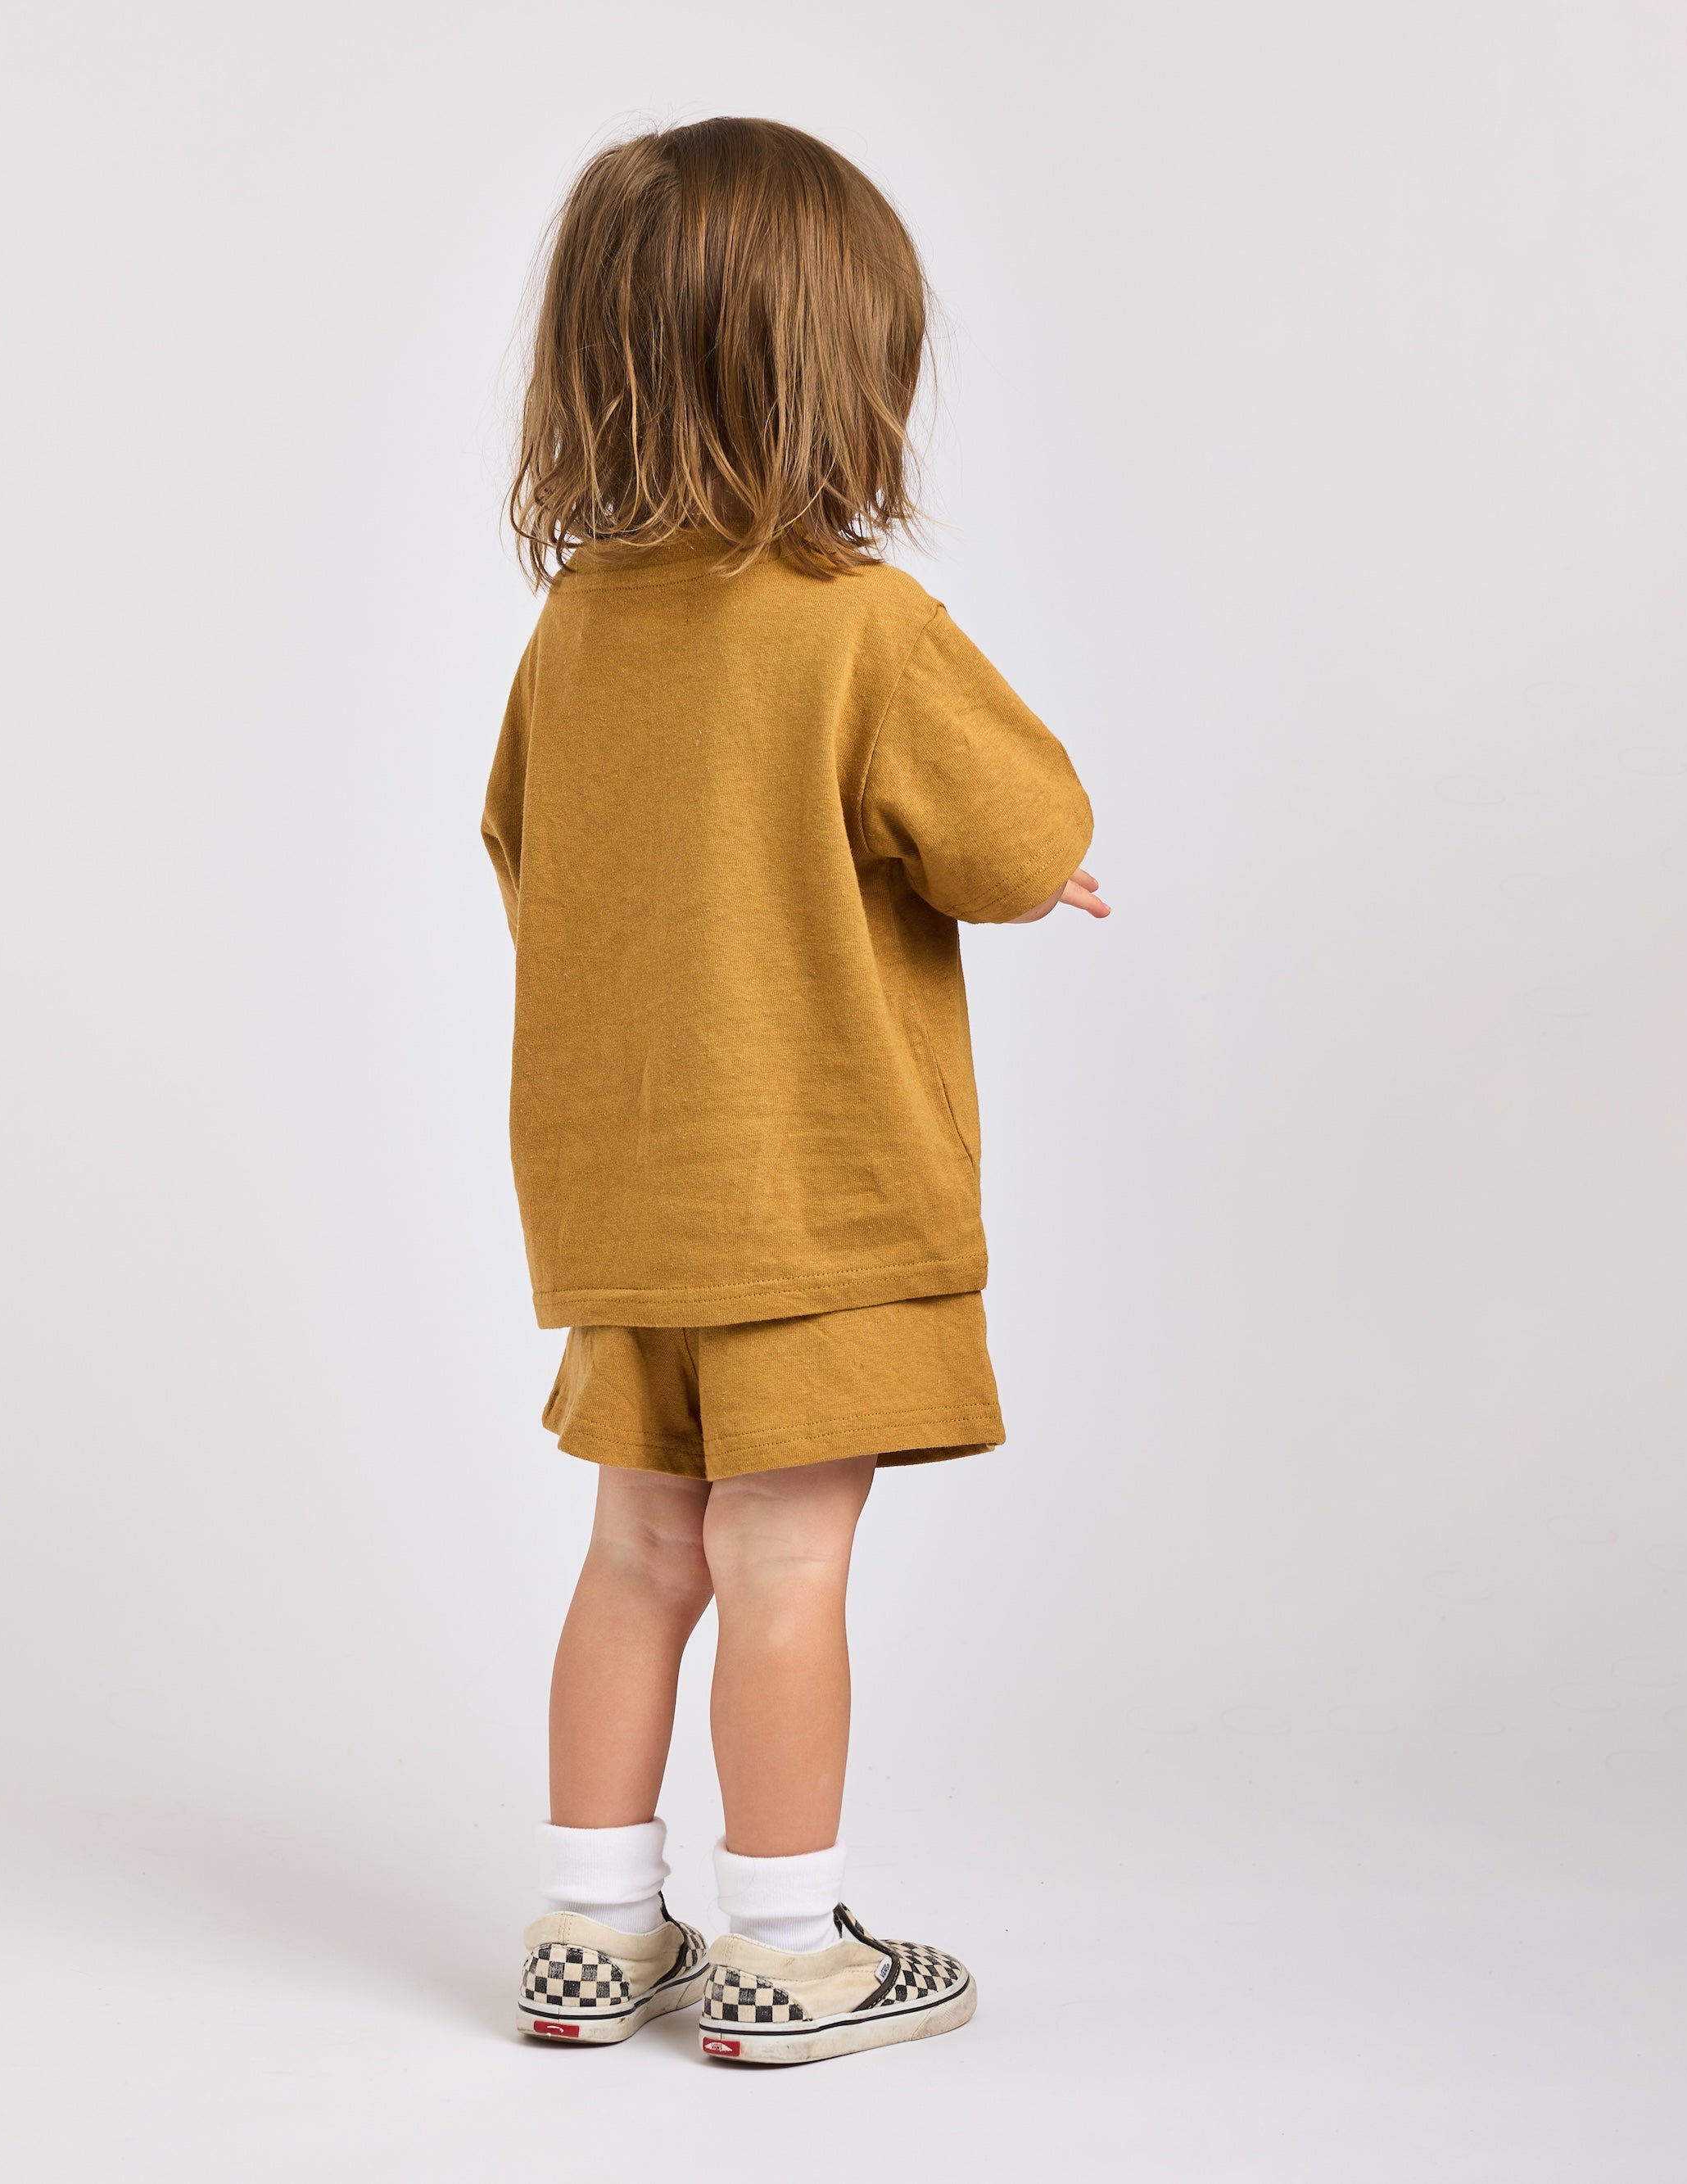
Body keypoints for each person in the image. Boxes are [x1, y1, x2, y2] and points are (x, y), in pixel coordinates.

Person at [482, 115, 1105, 2066]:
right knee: (781, 1560)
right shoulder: (862, 628)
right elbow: (1020, 835)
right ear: (842, 372)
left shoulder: (573, 632)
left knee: (632, 1553)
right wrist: (1033, 869)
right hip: (815, 1205)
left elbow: (518, 852)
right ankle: (781, 1944)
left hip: (622, 1203)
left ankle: (591, 1927)